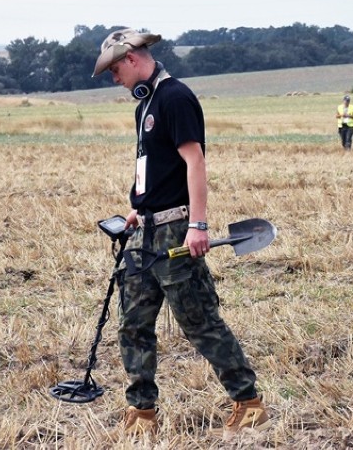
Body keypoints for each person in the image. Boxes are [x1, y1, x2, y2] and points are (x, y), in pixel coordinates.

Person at [92, 29, 270, 440]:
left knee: (199, 321)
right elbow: (154, 166)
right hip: (145, 233)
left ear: (133, 59)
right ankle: (142, 410)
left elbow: (195, 162)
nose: (114, 78)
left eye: (115, 69)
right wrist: (138, 209)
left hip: (176, 231)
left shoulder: (175, 98)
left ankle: (248, 402)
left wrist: (198, 225)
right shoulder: (146, 104)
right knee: (132, 323)